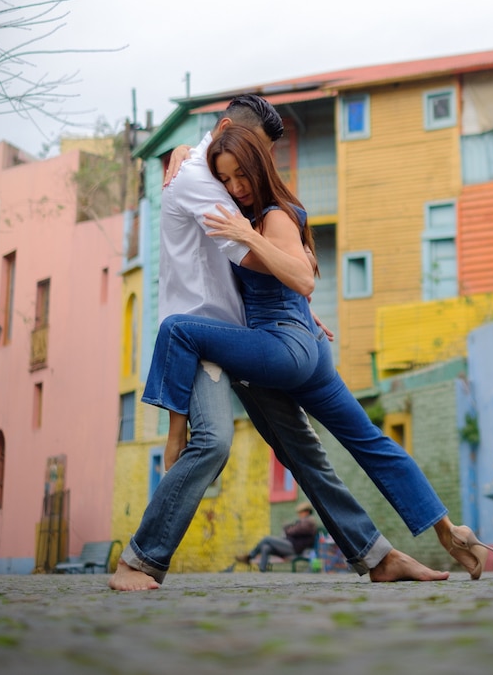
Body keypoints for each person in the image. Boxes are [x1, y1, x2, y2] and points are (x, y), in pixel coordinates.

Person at [109, 96, 459, 592]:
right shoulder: (195, 177)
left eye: (253, 165)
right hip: (205, 338)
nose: (241, 181)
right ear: (232, 134)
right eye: (247, 160)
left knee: (307, 454)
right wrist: (183, 152)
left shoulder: (215, 174)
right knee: (212, 443)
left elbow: (276, 271)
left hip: (248, 338)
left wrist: (297, 312)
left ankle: (376, 557)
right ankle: (140, 561)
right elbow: (276, 262)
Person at [237, 502, 318, 573]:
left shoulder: (309, 521)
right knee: (266, 547)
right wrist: (289, 527)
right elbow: (292, 530)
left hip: (295, 548)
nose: (299, 514)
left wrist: (288, 528)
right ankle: (262, 570)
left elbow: (292, 531)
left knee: (267, 539)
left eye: (300, 512)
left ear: (307, 512)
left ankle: (250, 556)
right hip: (291, 545)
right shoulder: (303, 521)